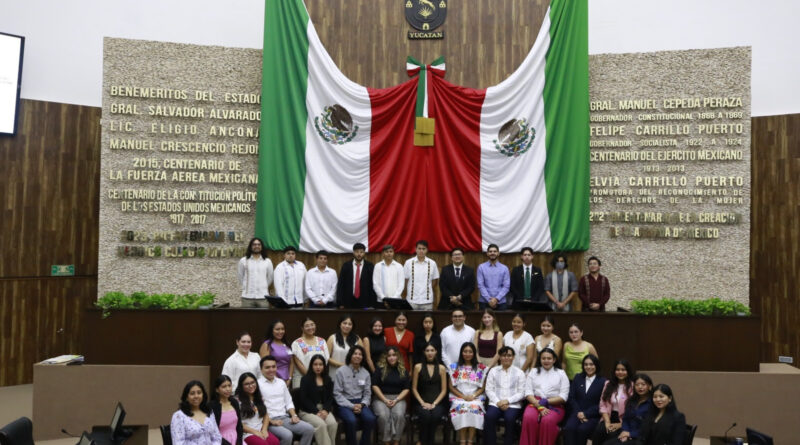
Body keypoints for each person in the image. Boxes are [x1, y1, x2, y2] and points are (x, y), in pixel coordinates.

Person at [257, 356, 315, 445]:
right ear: (261, 369)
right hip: (269, 421)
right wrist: (271, 421)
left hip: (284, 418)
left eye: (273, 366)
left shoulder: (281, 383)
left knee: (309, 429)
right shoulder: (257, 385)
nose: (271, 369)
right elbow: (259, 408)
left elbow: (288, 402)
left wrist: (294, 415)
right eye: (267, 367)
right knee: (287, 435)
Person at [520, 348, 569, 445]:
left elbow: (563, 397)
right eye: (543, 358)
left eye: (549, 358)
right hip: (535, 402)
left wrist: (546, 402)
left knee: (547, 420)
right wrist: (539, 406)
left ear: (554, 360)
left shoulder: (561, 374)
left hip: (555, 404)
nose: (546, 361)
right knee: (529, 417)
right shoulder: (533, 372)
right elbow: (528, 392)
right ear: (540, 359)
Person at [333, 345, 376, 445]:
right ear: (350, 355)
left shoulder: (366, 373)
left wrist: (362, 404)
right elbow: (337, 393)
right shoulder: (341, 371)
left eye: (360, 354)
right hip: (344, 403)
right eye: (355, 353)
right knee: (351, 420)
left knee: (370, 419)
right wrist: (352, 406)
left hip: (360, 402)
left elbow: (367, 393)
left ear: (363, 357)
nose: (358, 356)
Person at [484, 347, 526, 445]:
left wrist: (507, 401)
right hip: (495, 403)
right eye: (503, 355)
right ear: (500, 357)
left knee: (510, 418)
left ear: (513, 357)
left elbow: (522, 392)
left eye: (509, 355)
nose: (506, 358)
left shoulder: (519, 373)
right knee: (489, 417)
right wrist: (498, 402)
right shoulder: (493, 371)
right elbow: (488, 389)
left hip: (513, 404)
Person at [448, 342, 488, 445]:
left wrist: (473, 396)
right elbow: (451, 387)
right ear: (461, 353)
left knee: (474, 409)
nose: (467, 354)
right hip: (459, 396)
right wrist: (463, 396)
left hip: (475, 397)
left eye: (470, 352)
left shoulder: (480, 368)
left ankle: (470, 441)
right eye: (465, 351)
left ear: (474, 353)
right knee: (463, 410)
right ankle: (462, 441)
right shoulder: (454, 367)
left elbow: (482, 387)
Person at [562, 355, 606, 445]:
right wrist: (579, 413)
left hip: (593, 416)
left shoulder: (603, 381)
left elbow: (602, 403)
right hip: (576, 413)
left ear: (596, 365)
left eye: (591, 364)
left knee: (582, 429)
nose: (588, 367)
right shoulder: (578, 377)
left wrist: (586, 414)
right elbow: (571, 397)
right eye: (586, 364)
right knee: (569, 428)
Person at [372, 346, 411, 445]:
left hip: (398, 398)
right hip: (381, 398)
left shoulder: (403, 370)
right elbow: (374, 386)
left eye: (394, 355)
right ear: (385, 357)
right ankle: (386, 441)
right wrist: (385, 400)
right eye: (389, 355)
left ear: (398, 356)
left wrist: (396, 400)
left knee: (399, 415)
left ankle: (396, 441)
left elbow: (406, 388)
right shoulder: (379, 369)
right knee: (383, 416)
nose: (391, 358)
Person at [296, 355, 338, 445]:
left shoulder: (328, 379)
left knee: (332, 424)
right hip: (307, 411)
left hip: (323, 409)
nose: (318, 367)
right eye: (315, 364)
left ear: (324, 366)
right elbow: (304, 399)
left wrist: (326, 410)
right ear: (311, 366)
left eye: (320, 364)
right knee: (321, 425)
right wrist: (316, 412)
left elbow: (330, 397)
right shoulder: (305, 379)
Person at [592, 359, 634, 445]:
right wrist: (607, 422)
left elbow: (632, 409)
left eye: (623, 370)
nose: (620, 372)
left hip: (624, 419)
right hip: (608, 416)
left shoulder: (632, 386)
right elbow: (602, 404)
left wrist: (620, 424)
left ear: (628, 371)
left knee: (611, 435)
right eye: (618, 370)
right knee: (599, 431)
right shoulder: (608, 383)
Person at [411, 344, 448, 445]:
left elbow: (444, 390)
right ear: (424, 352)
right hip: (421, 402)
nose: (430, 353)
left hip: (437, 403)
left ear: (436, 352)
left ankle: (426, 441)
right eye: (427, 350)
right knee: (426, 415)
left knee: (435, 415)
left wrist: (434, 404)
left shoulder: (442, 368)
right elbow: (414, 388)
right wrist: (423, 403)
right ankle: (423, 441)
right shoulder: (418, 367)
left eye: (432, 350)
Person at [171, 380, 223, 445]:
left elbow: (217, 437)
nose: (196, 396)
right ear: (186, 397)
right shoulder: (178, 416)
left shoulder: (209, 412)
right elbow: (178, 442)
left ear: (203, 395)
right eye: (192, 393)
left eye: (199, 393)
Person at [608, 373, 653, 445]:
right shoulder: (631, 401)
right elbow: (625, 419)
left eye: (643, 384)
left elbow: (648, 427)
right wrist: (625, 432)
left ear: (650, 386)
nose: (640, 387)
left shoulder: (652, 403)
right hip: (627, 433)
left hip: (641, 437)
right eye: (637, 385)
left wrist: (631, 434)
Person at [234, 373, 278, 445]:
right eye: (247, 384)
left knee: (275, 442)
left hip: (260, 429)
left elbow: (265, 415)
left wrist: (264, 430)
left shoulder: (259, 397)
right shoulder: (236, 401)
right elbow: (237, 423)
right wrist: (255, 432)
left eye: (252, 382)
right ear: (241, 386)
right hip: (247, 433)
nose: (251, 386)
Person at [291, 317, 330, 388]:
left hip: (320, 378)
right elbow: (298, 363)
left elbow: (326, 360)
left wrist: (318, 378)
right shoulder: (296, 343)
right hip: (302, 379)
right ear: (302, 328)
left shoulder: (322, 341)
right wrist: (311, 378)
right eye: (307, 326)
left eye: (312, 325)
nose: (310, 327)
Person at [337, 242, 376, 309]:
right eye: (357, 252)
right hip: (348, 301)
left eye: (361, 252)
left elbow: (372, 285)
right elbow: (341, 284)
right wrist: (340, 302)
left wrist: (372, 303)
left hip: (365, 301)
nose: (359, 254)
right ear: (353, 252)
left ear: (364, 253)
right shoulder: (346, 265)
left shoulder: (370, 266)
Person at [404, 240, 440, 310]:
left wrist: (427, 289)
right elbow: (405, 280)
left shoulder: (432, 263)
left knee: (428, 317)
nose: (421, 251)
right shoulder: (408, 263)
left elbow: (435, 281)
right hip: (412, 300)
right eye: (419, 248)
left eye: (423, 249)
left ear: (427, 250)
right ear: (416, 249)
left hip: (427, 301)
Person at [237, 238, 273, 308]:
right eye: (254, 244)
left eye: (259, 244)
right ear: (250, 246)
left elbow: (270, 277)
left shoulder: (267, 261)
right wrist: (245, 287)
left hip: (263, 297)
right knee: (246, 315)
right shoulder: (243, 260)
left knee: (264, 315)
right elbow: (240, 277)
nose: (257, 246)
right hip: (247, 298)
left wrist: (264, 286)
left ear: (261, 247)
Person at [210, 375, 243, 445]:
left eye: (229, 386)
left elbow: (239, 426)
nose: (228, 389)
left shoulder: (234, 402)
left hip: (237, 439)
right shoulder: (212, 406)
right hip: (220, 441)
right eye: (224, 387)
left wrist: (239, 442)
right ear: (217, 389)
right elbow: (212, 431)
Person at [259, 320, 293, 386]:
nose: (280, 331)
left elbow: (291, 363)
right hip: (273, 380)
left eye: (282, 329)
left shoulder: (286, 344)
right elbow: (265, 365)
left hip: (287, 381)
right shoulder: (267, 345)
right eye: (277, 329)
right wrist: (278, 381)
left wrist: (289, 378)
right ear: (271, 331)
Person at [476, 244, 510, 310]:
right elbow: (480, 285)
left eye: (495, 251)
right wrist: (489, 299)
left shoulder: (504, 268)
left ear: (498, 253)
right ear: (487, 253)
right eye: (490, 251)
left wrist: (496, 299)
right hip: (484, 302)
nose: (492, 253)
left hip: (501, 302)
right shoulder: (481, 267)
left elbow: (506, 286)